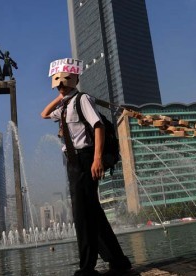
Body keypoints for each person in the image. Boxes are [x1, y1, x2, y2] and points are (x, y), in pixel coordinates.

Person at [41, 71, 132, 276]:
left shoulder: (83, 99)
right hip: (73, 162)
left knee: (82, 214)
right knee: (91, 211)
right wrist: (60, 97)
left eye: (65, 81)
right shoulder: (64, 105)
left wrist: (97, 159)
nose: (61, 85)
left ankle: (87, 268)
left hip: (86, 158)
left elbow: (97, 126)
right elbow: (44, 114)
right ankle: (118, 260)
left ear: (75, 81)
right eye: (58, 82)